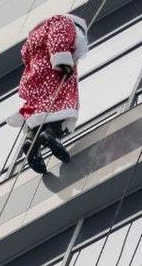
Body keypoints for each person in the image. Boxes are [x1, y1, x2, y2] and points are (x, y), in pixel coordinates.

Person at [6, 13, 89, 174]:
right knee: (62, 105)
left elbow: (26, 55)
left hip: (34, 76)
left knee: (38, 109)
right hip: (53, 74)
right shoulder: (64, 23)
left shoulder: (35, 36)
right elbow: (58, 40)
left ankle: (31, 142)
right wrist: (63, 61)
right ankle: (51, 134)